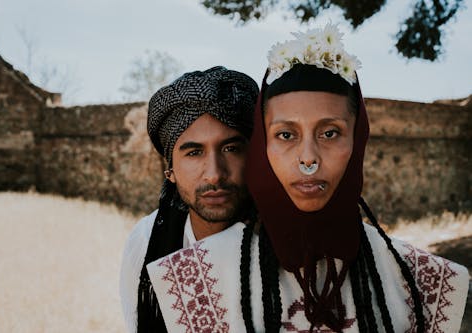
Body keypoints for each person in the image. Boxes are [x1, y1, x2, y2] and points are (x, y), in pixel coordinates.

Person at [146, 24, 469, 332]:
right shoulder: (190, 277)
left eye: (330, 133)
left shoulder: (427, 280)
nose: (308, 158)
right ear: (263, 146)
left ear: (358, 140)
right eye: (286, 134)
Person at [119, 66, 259, 333]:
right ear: (169, 170)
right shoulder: (146, 242)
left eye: (231, 149)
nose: (215, 174)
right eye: (194, 153)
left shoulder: (289, 244)